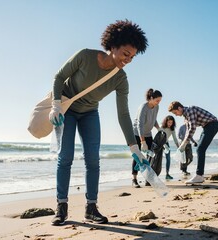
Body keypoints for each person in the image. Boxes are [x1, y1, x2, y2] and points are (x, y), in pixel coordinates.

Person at [48, 20, 148, 226]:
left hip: (89, 113)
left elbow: (123, 114)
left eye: (132, 57)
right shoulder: (85, 56)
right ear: (113, 46)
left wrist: (134, 148)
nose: (128, 59)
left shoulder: (121, 79)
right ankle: (61, 207)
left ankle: (91, 208)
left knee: (93, 160)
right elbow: (59, 77)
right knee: (65, 157)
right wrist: (56, 105)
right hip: (66, 110)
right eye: (125, 53)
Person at [169, 101, 218, 184]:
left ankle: (199, 175)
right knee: (200, 148)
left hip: (212, 124)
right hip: (207, 126)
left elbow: (192, 128)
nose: (176, 115)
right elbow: (187, 132)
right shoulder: (185, 117)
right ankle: (200, 175)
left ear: (179, 108)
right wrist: (183, 144)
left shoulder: (189, 110)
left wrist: (185, 143)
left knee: (200, 149)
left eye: (175, 112)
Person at [132, 89, 162, 188]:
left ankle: (148, 178)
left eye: (160, 101)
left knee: (152, 155)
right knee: (138, 155)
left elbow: (154, 119)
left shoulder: (156, 107)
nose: (158, 102)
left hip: (148, 133)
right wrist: (142, 141)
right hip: (137, 133)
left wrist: (158, 128)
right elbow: (140, 125)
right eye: (157, 100)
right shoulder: (143, 107)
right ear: (151, 98)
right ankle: (134, 179)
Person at [161, 115, 180, 179]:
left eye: (171, 123)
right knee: (158, 159)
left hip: (166, 143)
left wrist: (178, 147)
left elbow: (175, 138)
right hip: (159, 143)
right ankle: (155, 173)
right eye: (169, 122)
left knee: (168, 159)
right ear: (166, 122)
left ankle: (167, 174)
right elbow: (159, 137)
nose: (170, 124)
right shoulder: (162, 127)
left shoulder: (172, 129)